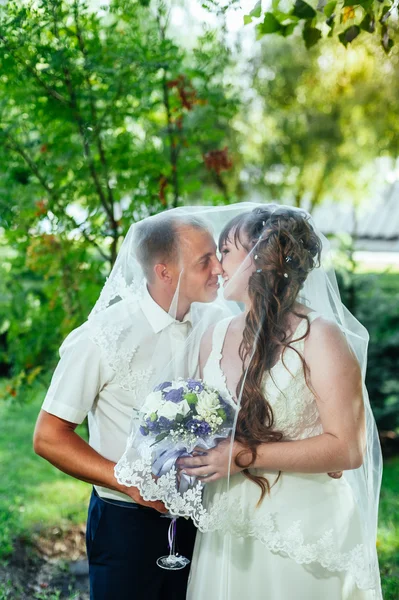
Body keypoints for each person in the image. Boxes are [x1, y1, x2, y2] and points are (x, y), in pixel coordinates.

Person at [175, 205, 382, 599]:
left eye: (226, 252)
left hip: (302, 528)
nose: (218, 266)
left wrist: (243, 457)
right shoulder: (213, 337)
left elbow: (349, 448)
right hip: (228, 523)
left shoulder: (320, 337)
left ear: (259, 260)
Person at [33, 211, 224, 600]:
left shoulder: (217, 326)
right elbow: (48, 438)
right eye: (205, 260)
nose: (219, 268)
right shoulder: (101, 337)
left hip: (203, 519)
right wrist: (130, 484)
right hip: (125, 524)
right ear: (164, 271)